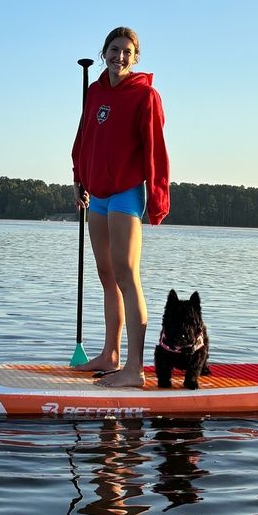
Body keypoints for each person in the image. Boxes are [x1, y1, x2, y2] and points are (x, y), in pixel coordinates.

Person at [72, 26, 169, 389]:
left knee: (127, 275)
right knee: (105, 274)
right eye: (114, 50)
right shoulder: (94, 91)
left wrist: (158, 199)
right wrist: (78, 177)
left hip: (127, 192)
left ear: (136, 57)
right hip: (96, 193)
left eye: (127, 51)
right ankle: (109, 354)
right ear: (104, 53)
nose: (120, 57)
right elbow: (84, 137)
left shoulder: (146, 96)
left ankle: (134, 368)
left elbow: (156, 149)